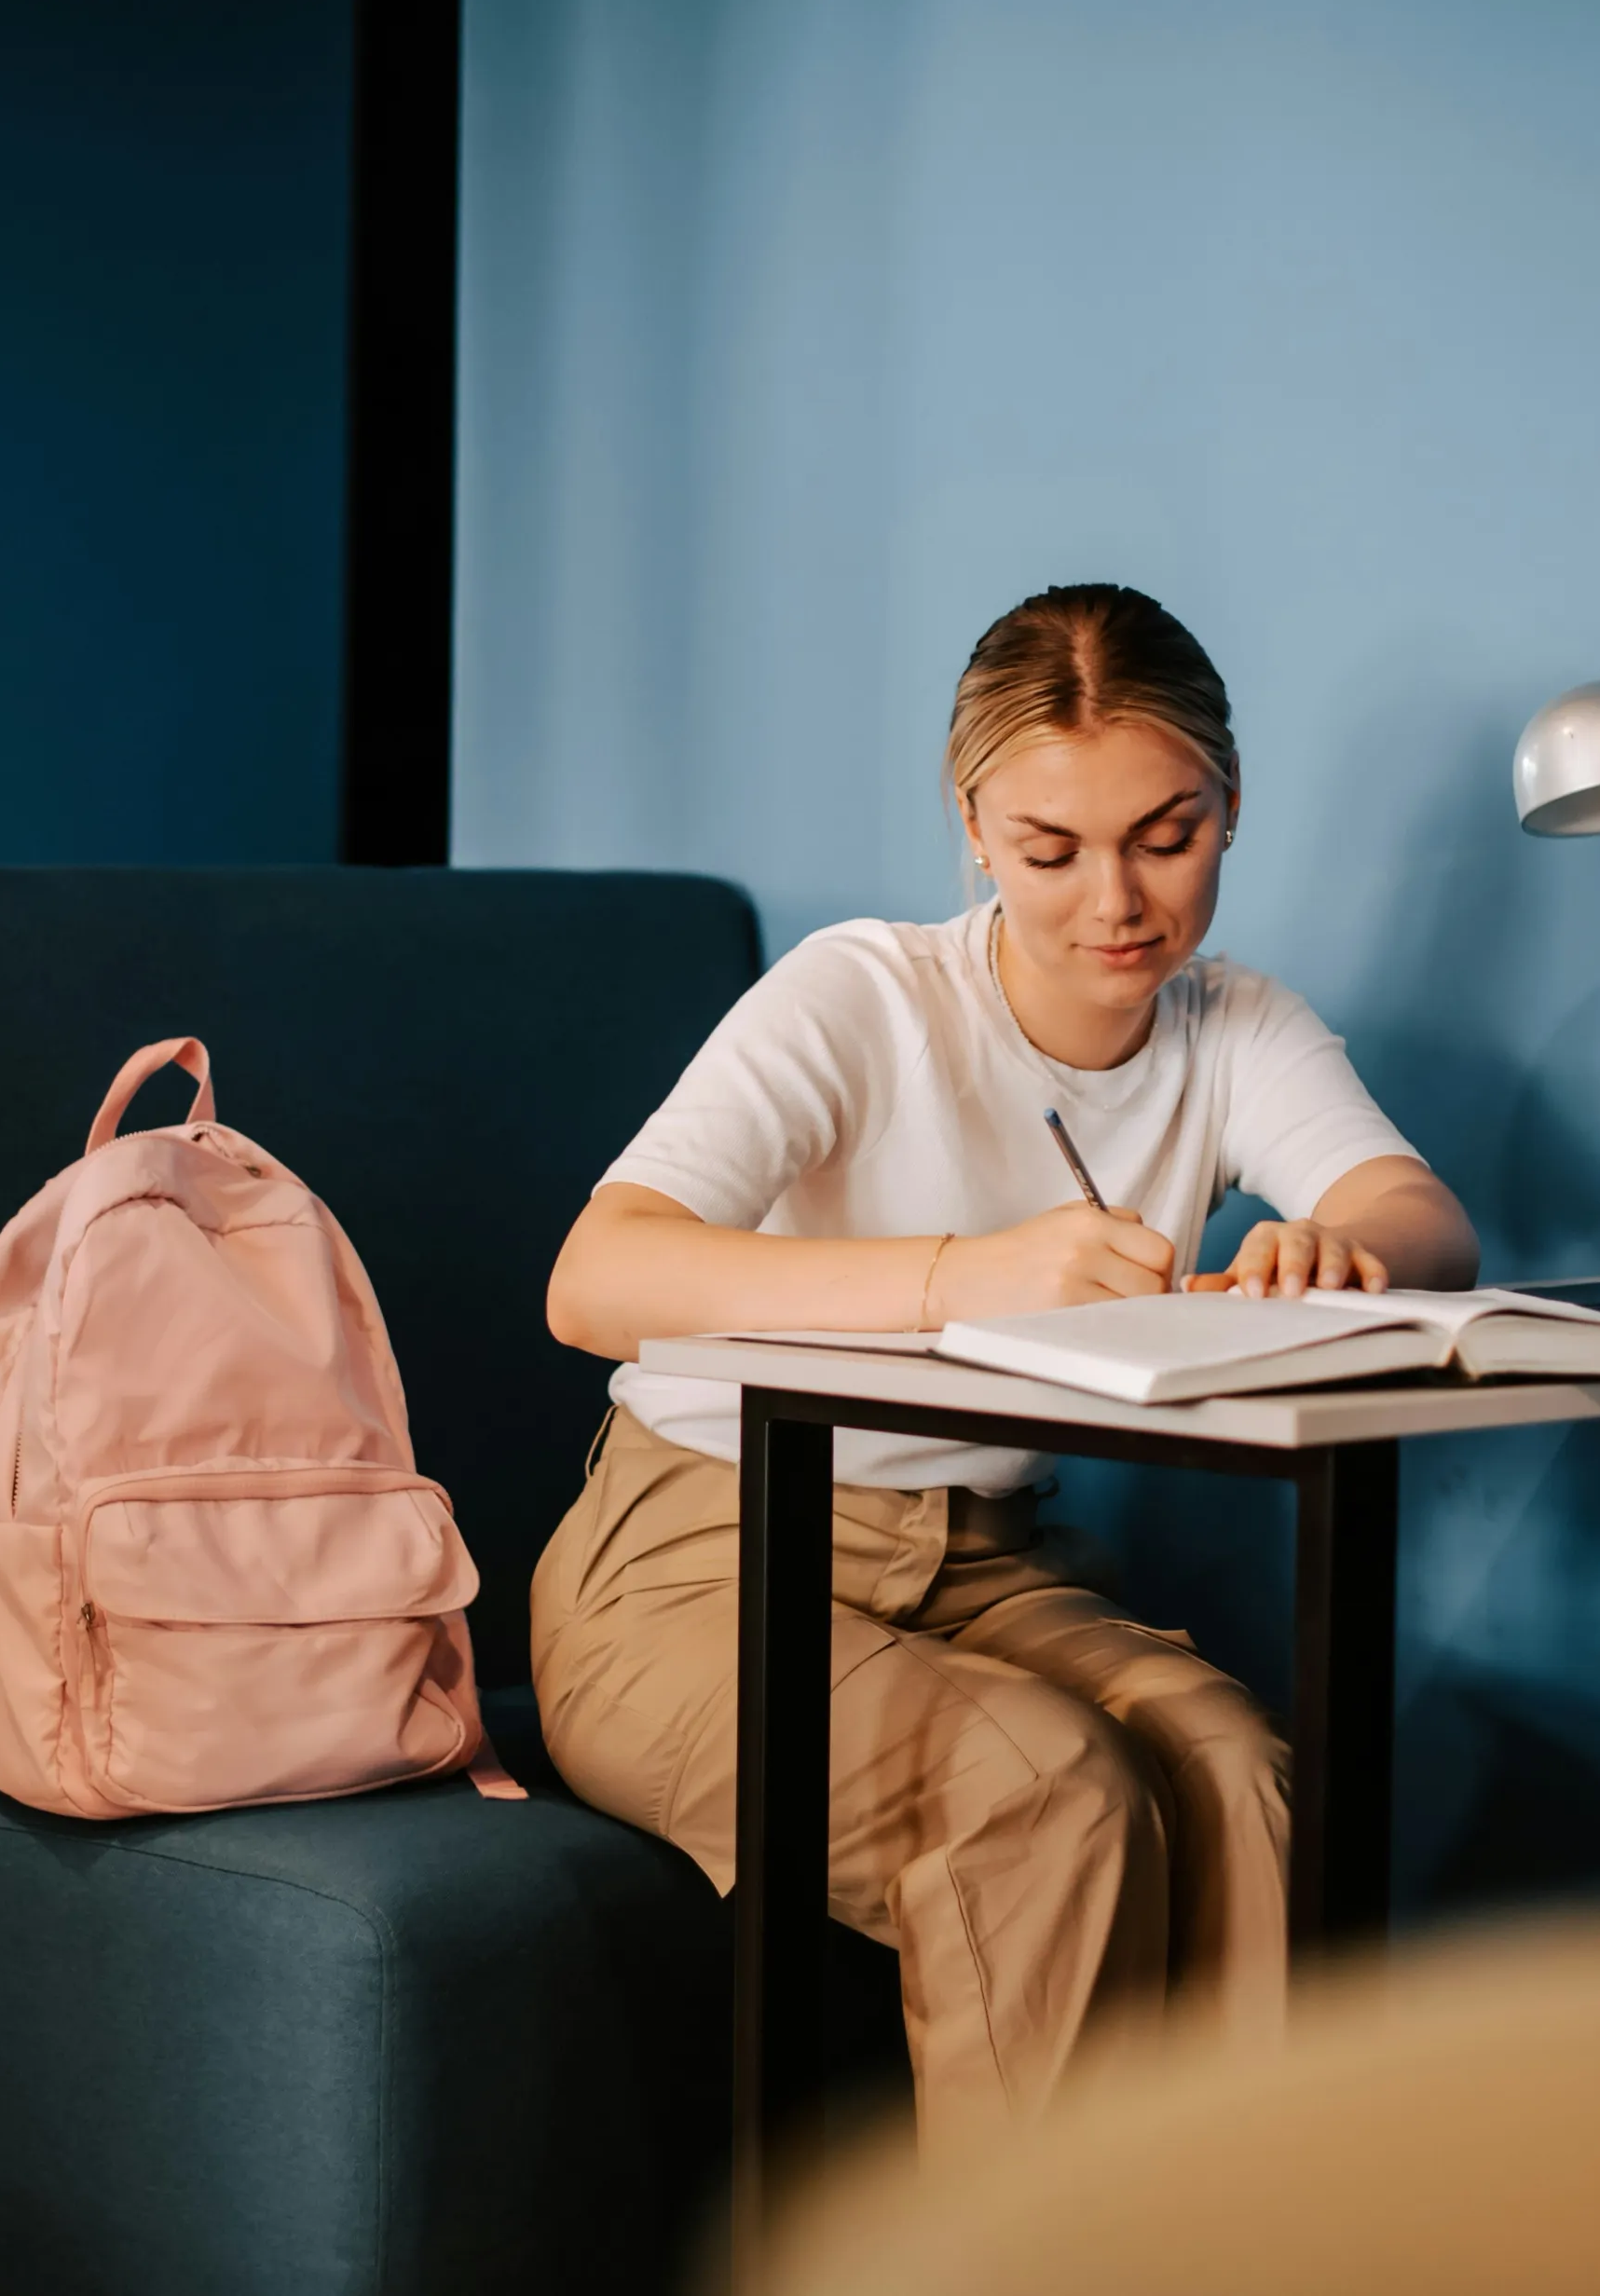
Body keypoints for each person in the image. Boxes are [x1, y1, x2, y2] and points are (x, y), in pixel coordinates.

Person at [533, 582, 1477, 2142]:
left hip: (981, 1564)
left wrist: (1348, 1251)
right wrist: (969, 1280)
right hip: (698, 1558)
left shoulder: (1235, 1024)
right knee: (1048, 1791)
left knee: (1240, 1772)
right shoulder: (863, 994)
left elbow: (1419, 1214)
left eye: (1165, 838)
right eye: (1051, 851)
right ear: (975, 828)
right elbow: (593, 1276)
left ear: (1230, 810)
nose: (1114, 899)